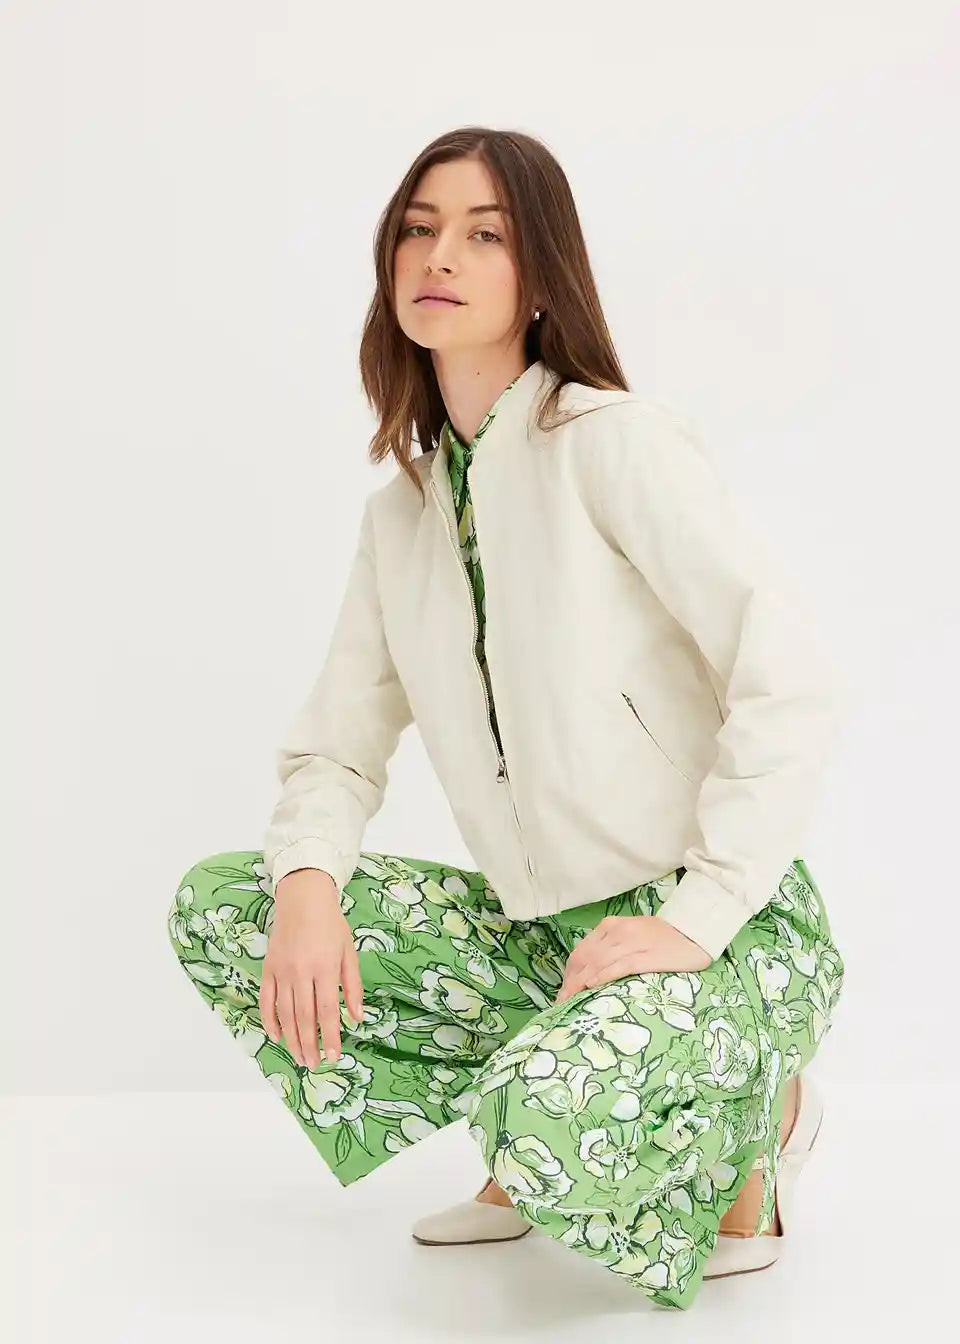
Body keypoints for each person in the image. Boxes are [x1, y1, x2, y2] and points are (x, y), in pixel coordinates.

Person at [167, 126, 846, 1311]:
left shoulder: (612, 443)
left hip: (717, 928)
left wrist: (699, 917)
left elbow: (787, 675)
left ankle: (759, 1104)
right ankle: (552, 1081)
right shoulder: (403, 516)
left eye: (485, 235)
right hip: (541, 939)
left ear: (541, 279)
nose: (441, 255)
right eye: (420, 228)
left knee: (547, 1124)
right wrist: (310, 885)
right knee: (233, 905)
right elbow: (336, 745)